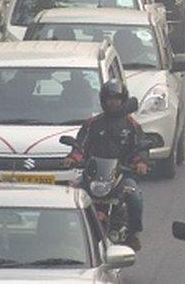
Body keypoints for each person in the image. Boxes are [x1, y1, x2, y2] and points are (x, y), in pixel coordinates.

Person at [64, 78, 147, 251]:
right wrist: (74, 158)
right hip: (92, 175)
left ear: (123, 100)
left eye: (117, 99)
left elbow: (140, 147)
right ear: (103, 100)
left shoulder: (132, 125)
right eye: (109, 99)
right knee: (71, 197)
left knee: (136, 199)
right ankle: (69, 235)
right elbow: (80, 145)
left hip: (121, 176)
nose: (113, 102)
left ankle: (132, 234)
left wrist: (140, 162)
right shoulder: (92, 124)